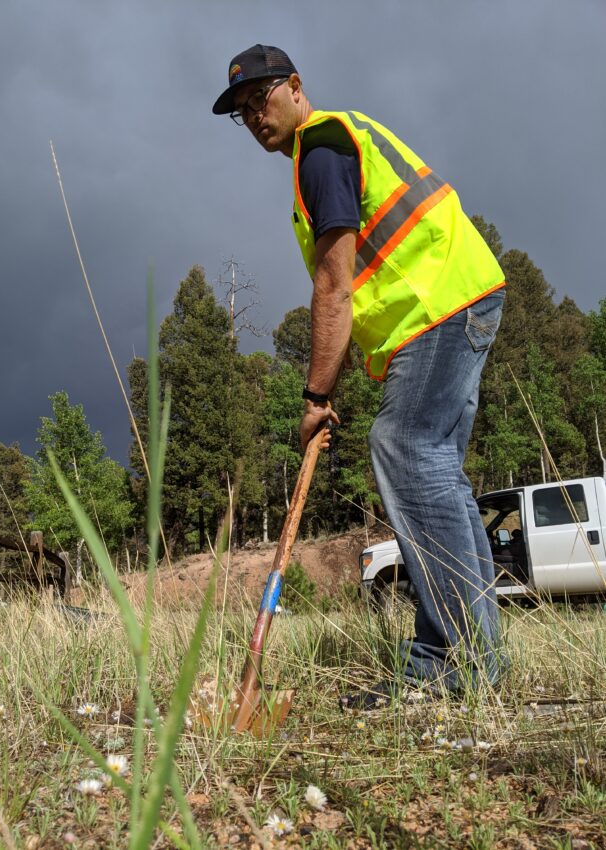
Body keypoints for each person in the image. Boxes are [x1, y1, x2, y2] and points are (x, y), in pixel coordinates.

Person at [213, 45, 506, 706]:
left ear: (294, 86)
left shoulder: (321, 149)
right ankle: (476, 659)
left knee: (405, 447)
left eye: (260, 98)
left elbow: (335, 286)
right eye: (240, 111)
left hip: (441, 303)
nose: (253, 116)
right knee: (438, 473)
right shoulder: (323, 154)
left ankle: (447, 661)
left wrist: (316, 397)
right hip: (453, 300)